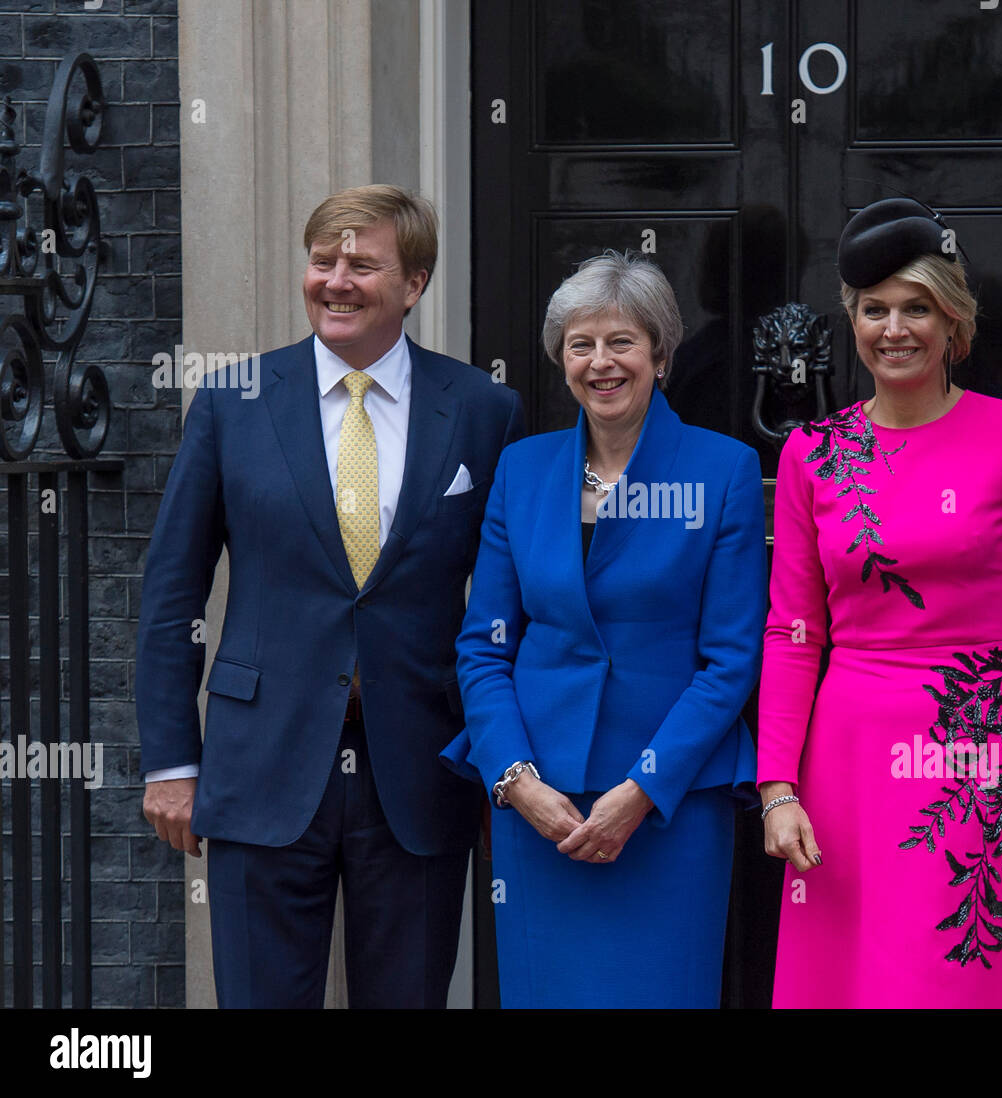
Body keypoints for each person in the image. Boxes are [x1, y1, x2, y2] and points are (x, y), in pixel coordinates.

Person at [757, 198, 1002, 1008]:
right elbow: (794, 632)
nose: (894, 328)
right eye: (875, 310)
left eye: (918, 308)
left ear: (954, 325)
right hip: (847, 762)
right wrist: (778, 789)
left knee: (965, 980)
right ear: (854, 322)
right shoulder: (814, 452)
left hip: (984, 754)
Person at [136, 184, 523, 1007]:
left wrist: (507, 759)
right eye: (322, 261)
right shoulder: (232, 403)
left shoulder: (484, 412)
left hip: (420, 770)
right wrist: (173, 761)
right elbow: (174, 592)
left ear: (414, 284)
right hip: (258, 765)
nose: (336, 280)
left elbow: (508, 603)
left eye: (362, 264)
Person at [441, 250, 765, 1007]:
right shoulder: (522, 471)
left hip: (668, 808)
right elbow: (483, 648)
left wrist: (642, 791)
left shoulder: (723, 471)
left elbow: (729, 660)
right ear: (561, 361)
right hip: (541, 806)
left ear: (660, 352)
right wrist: (517, 781)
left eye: (621, 341)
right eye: (581, 344)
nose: (601, 362)